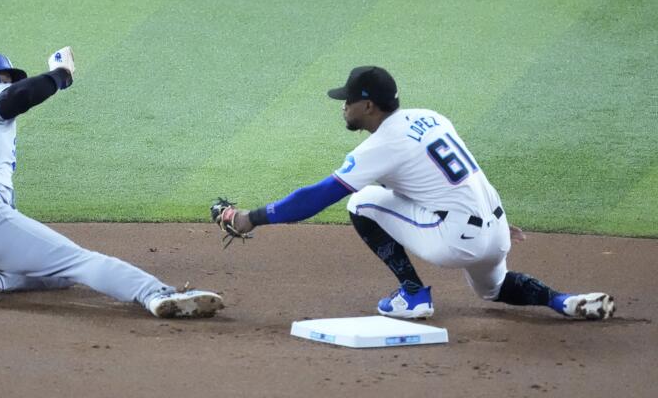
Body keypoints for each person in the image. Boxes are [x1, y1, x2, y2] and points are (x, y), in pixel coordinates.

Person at [216, 66, 614, 320]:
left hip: (457, 239)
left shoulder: (381, 144)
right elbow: (457, 177)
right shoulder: (430, 117)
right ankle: (562, 301)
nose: (342, 108)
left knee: (361, 201)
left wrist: (249, 217)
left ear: (368, 105)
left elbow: (316, 198)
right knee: (493, 289)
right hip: (496, 226)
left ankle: (413, 294)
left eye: (348, 102)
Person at [0, 48, 223, 319]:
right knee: (77, 261)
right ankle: (157, 294)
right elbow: (20, 97)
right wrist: (60, 75)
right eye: (3, 78)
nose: (10, 84)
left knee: (55, 275)